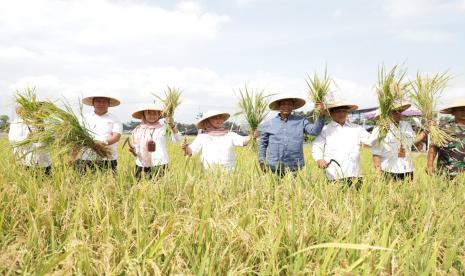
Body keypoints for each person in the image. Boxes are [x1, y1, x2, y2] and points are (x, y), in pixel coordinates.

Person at [258, 95, 325, 176]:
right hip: (273, 167)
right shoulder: (269, 124)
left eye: (289, 104)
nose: (286, 106)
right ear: (279, 106)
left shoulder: (301, 121)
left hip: (294, 166)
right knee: (273, 187)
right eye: (283, 104)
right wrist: (262, 160)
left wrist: (321, 115)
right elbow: (262, 144)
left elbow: (314, 131)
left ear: (293, 106)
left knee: (295, 188)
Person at [312, 100, 375, 186]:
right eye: (338, 111)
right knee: (336, 198)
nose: (341, 114)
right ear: (331, 113)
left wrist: (382, 131)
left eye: (344, 111)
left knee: (357, 197)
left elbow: (371, 140)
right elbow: (317, 146)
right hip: (334, 174)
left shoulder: (356, 128)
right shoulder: (325, 130)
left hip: (354, 173)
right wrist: (319, 159)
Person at [370, 103, 428, 181]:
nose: (398, 113)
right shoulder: (380, 129)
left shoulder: (406, 125)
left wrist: (426, 131)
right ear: (387, 113)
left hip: (407, 168)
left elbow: (413, 142)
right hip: (388, 169)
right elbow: (376, 152)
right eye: (395, 111)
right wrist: (378, 171)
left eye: (399, 111)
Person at [181, 110, 255, 171]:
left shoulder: (230, 135)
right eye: (215, 118)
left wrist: (252, 136)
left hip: (230, 173)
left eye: (220, 118)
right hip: (208, 173)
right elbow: (191, 151)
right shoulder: (202, 137)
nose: (219, 120)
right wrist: (185, 148)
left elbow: (243, 140)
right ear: (208, 121)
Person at [129, 104, 182, 180]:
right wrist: (133, 151)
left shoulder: (164, 128)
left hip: (160, 164)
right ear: (144, 114)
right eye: (149, 113)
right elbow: (136, 151)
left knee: (160, 189)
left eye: (155, 113)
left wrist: (172, 125)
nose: (152, 116)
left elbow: (178, 138)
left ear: (159, 115)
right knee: (141, 189)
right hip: (141, 165)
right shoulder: (137, 130)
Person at [75, 94, 122, 173]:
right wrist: (73, 156)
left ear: (109, 104)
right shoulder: (84, 118)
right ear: (93, 103)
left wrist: (104, 143)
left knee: (109, 182)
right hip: (86, 157)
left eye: (104, 102)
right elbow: (78, 137)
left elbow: (116, 136)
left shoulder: (114, 119)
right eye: (98, 101)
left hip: (107, 157)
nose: (101, 104)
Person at [427, 99, 465, 178]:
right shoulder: (443, 128)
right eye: (460, 109)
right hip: (446, 173)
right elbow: (433, 147)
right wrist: (429, 165)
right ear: (453, 112)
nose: (464, 111)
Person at [8, 105, 52, 175]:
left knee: (47, 182)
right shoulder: (16, 123)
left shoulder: (45, 122)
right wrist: (27, 138)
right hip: (25, 163)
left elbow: (51, 138)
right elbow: (13, 140)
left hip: (44, 162)